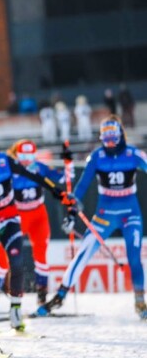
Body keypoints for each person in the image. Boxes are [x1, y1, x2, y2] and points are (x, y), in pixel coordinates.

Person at [0, 130, 73, 331]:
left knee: (16, 262)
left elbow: (33, 175)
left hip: (9, 218)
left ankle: (15, 310)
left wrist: (59, 193)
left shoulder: (5, 161)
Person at [40, 116, 147, 318]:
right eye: (105, 138)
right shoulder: (97, 157)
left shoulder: (133, 154)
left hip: (130, 214)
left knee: (134, 256)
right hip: (104, 215)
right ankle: (60, 296)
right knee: (84, 252)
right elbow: (81, 187)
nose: (109, 143)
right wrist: (72, 211)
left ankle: (140, 300)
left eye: (113, 138)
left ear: (120, 136)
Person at [0, 139, 73, 312]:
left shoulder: (39, 167)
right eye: (23, 155)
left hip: (38, 215)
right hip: (17, 216)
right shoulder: (11, 167)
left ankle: (41, 297)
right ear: (17, 155)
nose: (26, 160)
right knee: (3, 255)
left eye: (30, 155)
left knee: (41, 255)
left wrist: (68, 164)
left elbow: (64, 177)